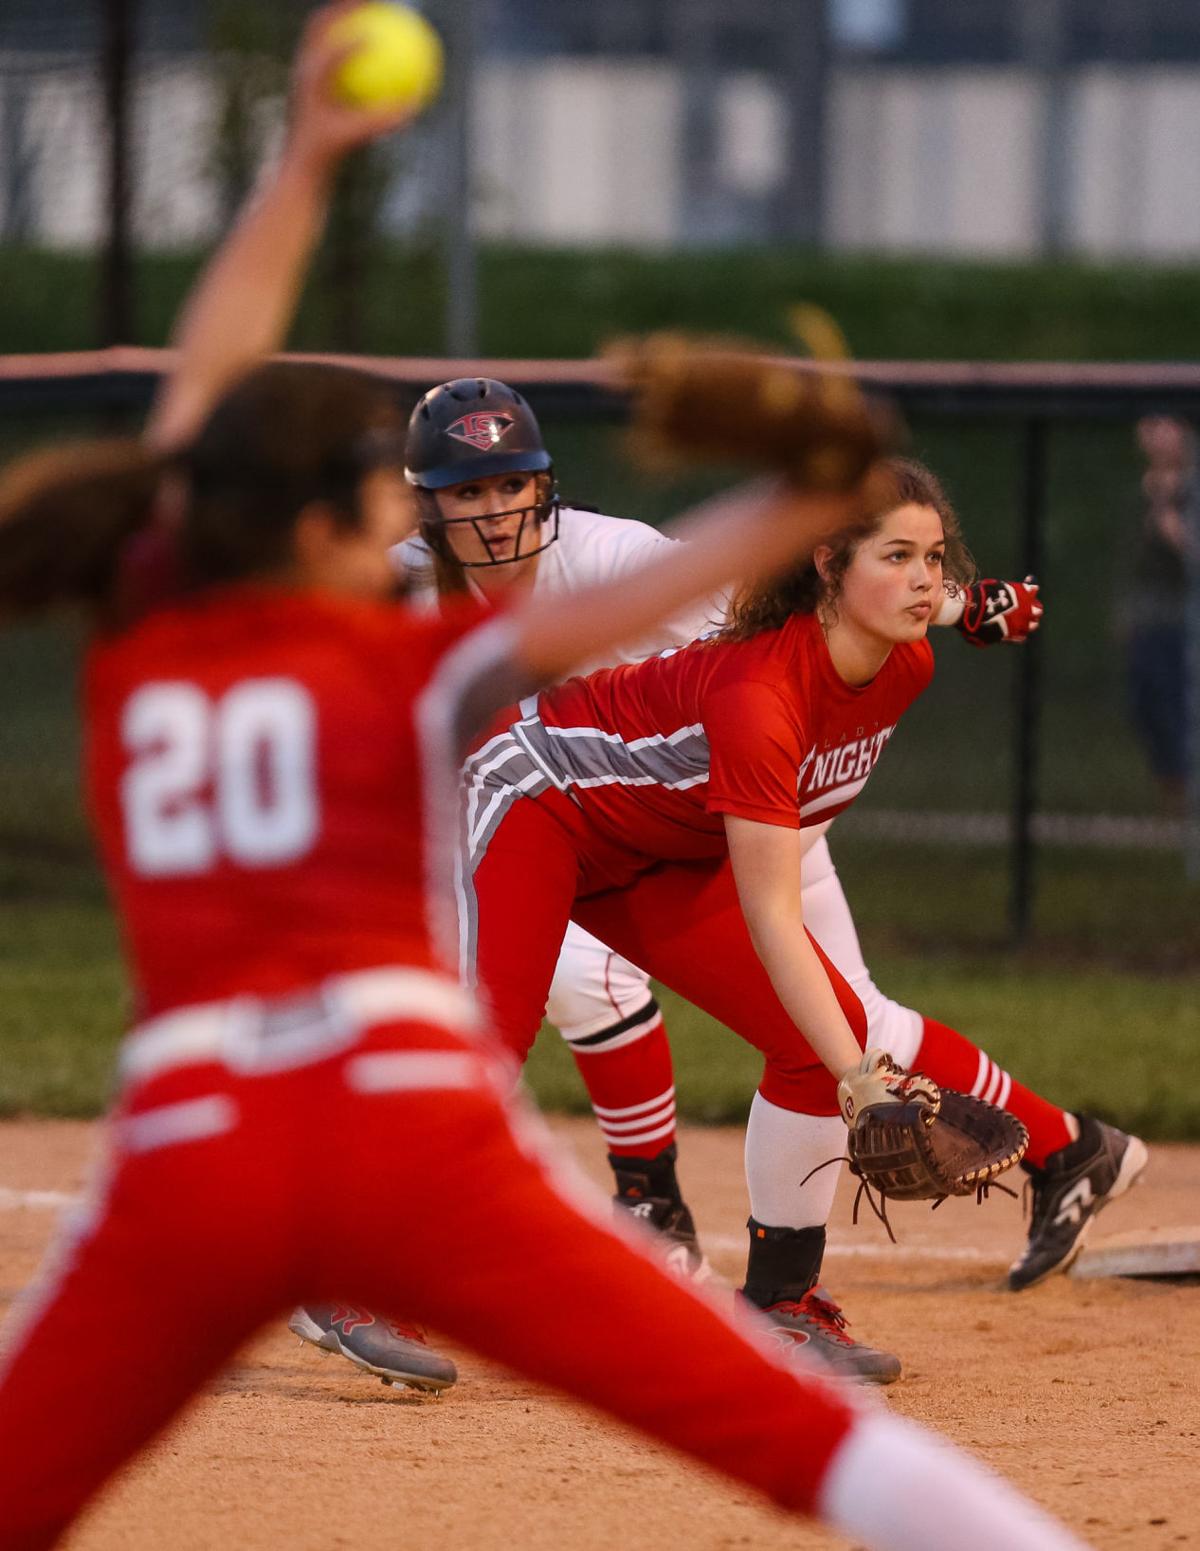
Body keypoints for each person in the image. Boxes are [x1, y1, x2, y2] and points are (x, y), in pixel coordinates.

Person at [0, 9, 1094, 1549]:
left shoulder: (144, 643)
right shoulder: (412, 657)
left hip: (189, 1145)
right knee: (795, 1441)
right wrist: (819, 493)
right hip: (401, 1130)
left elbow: (208, 388)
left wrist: (305, 156)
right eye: (394, 495)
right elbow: (605, 622)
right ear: (336, 533)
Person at [456, 455, 1148, 1387]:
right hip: (541, 796)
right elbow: (773, 917)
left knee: (811, 1039)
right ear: (826, 565)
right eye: (896, 555)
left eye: (934, 557)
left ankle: (782, 1303)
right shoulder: (760, 699)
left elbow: (910, 601)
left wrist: (969, 605)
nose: (923, 578)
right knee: (491, 1041)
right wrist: (863, 1079)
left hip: (661, 841)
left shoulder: (904, 661)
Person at [1122, 415, 1194, 812]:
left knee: (1179, 707)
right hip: (1148, 616)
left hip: (1185, 617)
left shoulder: (1190, 488)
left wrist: (1170, 517)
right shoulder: (1142, 488)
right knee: (1146, 705)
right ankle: (1173, 796)